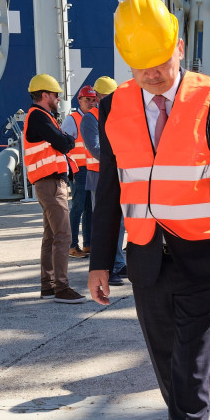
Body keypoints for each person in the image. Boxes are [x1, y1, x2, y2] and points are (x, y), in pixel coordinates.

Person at [89, 0, 210, 420]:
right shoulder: (113, 106)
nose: (152, 74)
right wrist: (99, 262)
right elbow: (111, 188)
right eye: (140, 67)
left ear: (179, 46)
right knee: (165, 364)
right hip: (146, 259)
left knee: (190, 371)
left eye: (160, 61)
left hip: (205, 259)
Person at [23, 74, 86, 304]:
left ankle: (48, 286)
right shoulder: (39, 116)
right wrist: (64, 139)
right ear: (44, 95)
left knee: (51, 236)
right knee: (63, 235)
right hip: (50, 183)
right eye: (55, 94)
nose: (58, 98)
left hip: (48, 182)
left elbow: (63, 140)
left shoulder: (42, 116)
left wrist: (63, 139)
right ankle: (61, 287)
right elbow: (64, 142)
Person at [81, 76, 128, 286]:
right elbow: (95, 149)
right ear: (99, 97)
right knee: (105, 224)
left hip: (118, 174)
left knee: (120, 223)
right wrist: (123, 158)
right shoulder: (90, 118)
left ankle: (118, 263)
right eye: (110, 97)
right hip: (99, 177)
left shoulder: (118, 116)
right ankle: (107, 268)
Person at [63, 85, 98, 258]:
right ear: (79, 100)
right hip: (78, 170)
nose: (91, 103)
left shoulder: (93, 118)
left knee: (89, 208)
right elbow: (63, 146)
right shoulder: (72, 120)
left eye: (93, 100)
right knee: (77, 207)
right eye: (87, 100)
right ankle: (72, 245)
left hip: (90, 169)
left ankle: (88, 244)